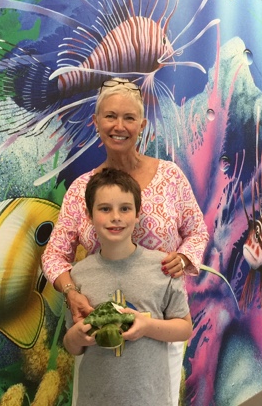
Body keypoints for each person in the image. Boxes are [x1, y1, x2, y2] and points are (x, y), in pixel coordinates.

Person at [42, 77, 208, 404]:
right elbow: (53, 256)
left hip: (160, 325)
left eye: (129, 118)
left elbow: (197, 230)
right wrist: (71, 292)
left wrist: (185, 257)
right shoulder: (81, 190)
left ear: (142, 125)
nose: (119, 126)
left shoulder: (171, 177)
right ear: (96, 122)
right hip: (102, 332)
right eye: (110, 116)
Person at [63, 168, 192, 406]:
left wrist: (147, 326)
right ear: (89, 215)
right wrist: (78, 336)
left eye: (125, 208)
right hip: (95, 400)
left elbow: (184, 329)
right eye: (105, 209)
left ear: (137, 214)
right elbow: (71, 345)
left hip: (150, 399)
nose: (116, 217)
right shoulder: (79, 275)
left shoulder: (163, 267)